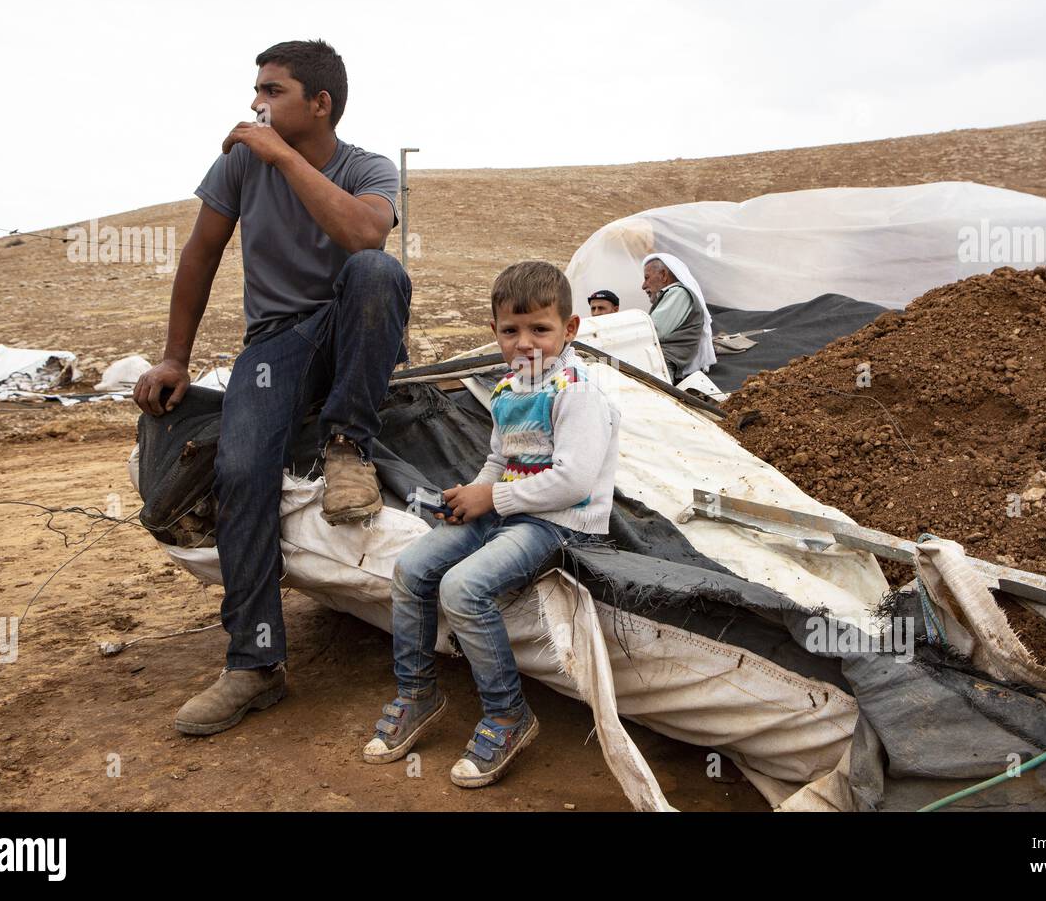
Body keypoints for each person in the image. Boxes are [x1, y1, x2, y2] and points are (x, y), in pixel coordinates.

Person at [132, 38, 409, 736]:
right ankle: (255, 664)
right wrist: (173, 358)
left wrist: (280, 155)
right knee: (240, 467)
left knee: (378, 274)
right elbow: (201, 252)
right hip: (276, 343)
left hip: (350, 327)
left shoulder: (367, 167)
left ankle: (348, 443)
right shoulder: (237, 165)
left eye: (272, 91)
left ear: (320, 103)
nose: (255, 103)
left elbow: (365, 239)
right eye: (256, 90)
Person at [363, 260, 620, 788]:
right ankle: (418, 694)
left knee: (463, 587)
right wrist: (472, 497)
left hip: (559, 521)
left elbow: (573, 481)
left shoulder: (578, 392)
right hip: (512, 507)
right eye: (511, 330)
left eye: (540, 329)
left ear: (569, 329)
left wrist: (493, 498)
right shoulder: (508, 388)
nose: (525, 343)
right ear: (495, 332)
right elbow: (500, 461)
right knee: (412, 567)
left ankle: (508, 715)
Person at [640, 252, 715, 382]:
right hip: (655, 363)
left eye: (647, 278)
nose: (643, 286)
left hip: (659, 366)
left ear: (663, 275)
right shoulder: (673, 295)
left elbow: (652, 333)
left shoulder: (678, 293)